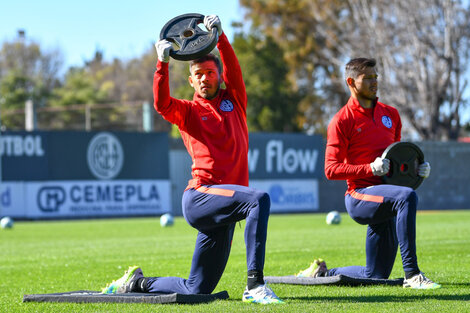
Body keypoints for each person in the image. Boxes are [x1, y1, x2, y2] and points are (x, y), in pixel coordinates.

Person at [100, 15, 283, 304]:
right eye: (198, 75)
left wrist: (221, 37)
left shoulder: (234, 99)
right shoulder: (187, 112)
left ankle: (137, 282)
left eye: (210, 73)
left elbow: (234, 68)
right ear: (190, 80)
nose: (205, 78)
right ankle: (255, 286)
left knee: (196, 289)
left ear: (218, 76)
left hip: (224, 205)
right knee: (258, 199)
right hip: (200, 198)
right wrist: (161, 64)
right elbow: (161, 104)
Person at [296, 58, 440, 289]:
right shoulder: (341, 121)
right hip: (359, 196)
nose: (375, 82)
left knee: (376, 275)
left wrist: (416, 170)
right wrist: (369, 168)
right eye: (368, 78)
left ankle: (321, 273)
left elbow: (396, 164)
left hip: (386, 199)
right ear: (351, 82)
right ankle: (412, 275)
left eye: (376, 77)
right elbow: (331, 169)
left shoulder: (391, 115)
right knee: (406, 197)